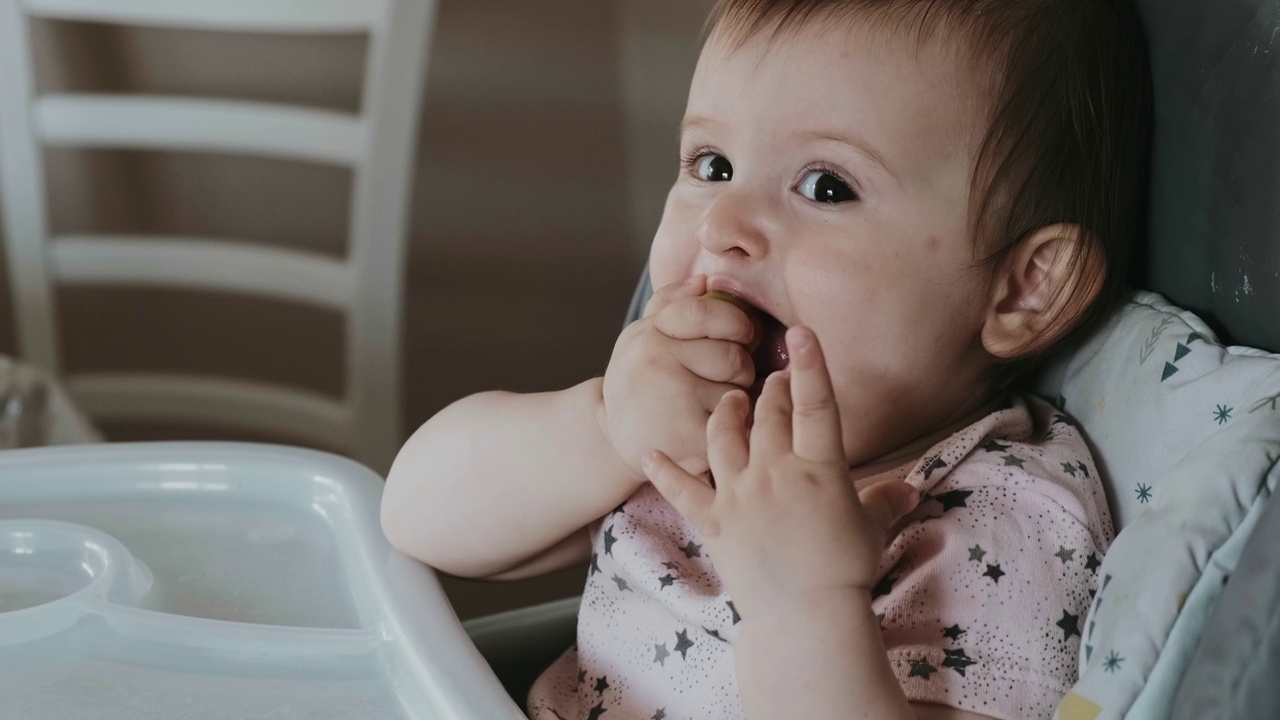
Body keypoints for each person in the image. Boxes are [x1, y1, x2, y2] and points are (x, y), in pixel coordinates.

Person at [381, 0, 1151, 717]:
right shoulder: (689, 431)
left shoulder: (1009, 527)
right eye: (711, 165)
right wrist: (605, 427)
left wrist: (808, 607)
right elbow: (416, 517)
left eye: (824, 185)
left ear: (1023, 289)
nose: (723, 222)